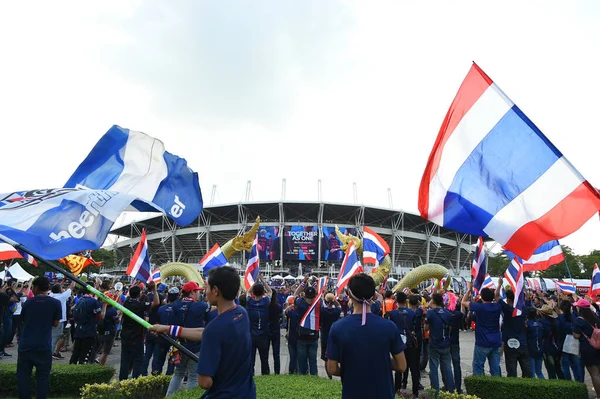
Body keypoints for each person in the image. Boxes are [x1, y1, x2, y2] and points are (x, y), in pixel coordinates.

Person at [150, 266, 256, 398]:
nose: (204, 292)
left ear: (216, 290)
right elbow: (205, 332)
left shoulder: (215, 329)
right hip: (246, 393)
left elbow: (204, 382)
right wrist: (168, 329)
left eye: (206, 287)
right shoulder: (241, 313)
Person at [326, 273, 406, 399]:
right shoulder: (389, 327)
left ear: (349, 295)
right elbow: (401, 366)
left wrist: (352, 365)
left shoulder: (338, 328)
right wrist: (380, 361)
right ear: (373, 295)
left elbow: (331, 369)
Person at [17, 276, 61, 399]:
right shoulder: (55, 303)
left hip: (26, 344)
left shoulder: (28, 302)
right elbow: (56, 323)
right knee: (43, 376)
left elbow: (22, 320)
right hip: (44, 345)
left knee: (23, 375)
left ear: (36, 288)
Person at [166, 281, 209, 396]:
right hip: (195, 346)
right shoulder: (200, 306)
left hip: (178, 344)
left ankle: (169, 396)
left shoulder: (176, 304)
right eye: (197, 292)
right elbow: (215, 308)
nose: (199, 294)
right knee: (193, 376)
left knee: (178, 374)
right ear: (192, 292)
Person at [461, 284, 502, 376]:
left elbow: (463, 302)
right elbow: (497, 296)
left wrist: (469, 290)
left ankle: (479, 388)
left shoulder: (480, 307)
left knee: (478, 367)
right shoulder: (497, 307)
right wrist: (499, 285)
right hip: (495, 341)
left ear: (482, 297)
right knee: (495, 368)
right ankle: (498, 387)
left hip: (482, 342)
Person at [495, 280, 531, 378]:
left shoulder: (507, 309)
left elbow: (496, 297)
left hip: (510, 344)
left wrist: (499, 284)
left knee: (511, 372)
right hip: (523, 343)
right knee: (527, 371)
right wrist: (522, 287)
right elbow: (527, 298)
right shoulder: (522, 309)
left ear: (509, 300)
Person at [389, 292, 419, 398]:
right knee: (414, 367)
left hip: (399, 343)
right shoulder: (412, 312)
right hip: (410, 342)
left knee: (398, 367)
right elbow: (416, 327)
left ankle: (397, 390)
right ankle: (415, 391)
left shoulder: (392, 314)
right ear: (406, 300)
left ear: (396, 300)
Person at [425, 292, 455, 395]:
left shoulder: (430, 313)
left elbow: (426, 328)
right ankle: (451, 390)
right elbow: (450, 329)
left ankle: (435, 392)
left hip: (434, 344)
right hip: (445, 343)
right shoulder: (447, 313)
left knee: (433, 368)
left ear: (432, 301)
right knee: (447, 368)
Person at [119, 284, 150, 380]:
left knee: (124, 359)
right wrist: (153, 290)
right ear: (139, 294)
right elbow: (154, 303)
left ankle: (122, 380)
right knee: (138, 360)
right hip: (136, 336)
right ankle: (135, 380)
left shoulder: (126, 302)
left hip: (125, 335)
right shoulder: (140, 305)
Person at [573, 298, 600, 395]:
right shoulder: (596, 318)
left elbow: (576, 336)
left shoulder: (578, 320)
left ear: (580, 308)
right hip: (598, 347)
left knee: (594, 374)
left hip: (588, 349)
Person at [246, 274, 272, 375]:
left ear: (254, 293)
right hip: (263, 336)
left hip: (252, 336)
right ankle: (265, 376)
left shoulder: (250, 302)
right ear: (263, 293)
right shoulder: (266, 302)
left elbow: (248, 292)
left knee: (251, 360)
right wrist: (262, 280)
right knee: (264, 359)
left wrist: (256, 281)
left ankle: (250, 376)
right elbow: (270, 291)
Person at [69, 288, 102, 364]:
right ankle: (82, 369)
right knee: (85, 354)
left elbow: (72, 310)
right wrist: (104, 305)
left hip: (79, 329)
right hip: (89, 330)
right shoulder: (93, 301)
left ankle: (71, 369)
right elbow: (101, 316)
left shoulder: (80, 299)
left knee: (76, 352)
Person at [558, 300, 583, 382]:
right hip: (574, 343)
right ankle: (579, 383)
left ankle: (569, 383)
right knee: (575, 365)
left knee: (565, 366)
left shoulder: (560, 318)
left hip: (564, 344)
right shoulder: (574, 316)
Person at [537, 304, 564, 379]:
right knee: (558, 369)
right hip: (558, 347)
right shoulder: (557, 322)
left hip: (547, 348)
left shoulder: (541, 322)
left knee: (550, 370)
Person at [49, 281, 75, 360]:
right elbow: (71, 287)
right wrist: (74, 277)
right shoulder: (62, 297)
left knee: (52, 338)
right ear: (60, 290)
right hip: (59, 321)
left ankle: (52, 353)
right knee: (54, 339)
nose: (63, 289)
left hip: (51, 320)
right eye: (61, 288)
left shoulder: (51, 295)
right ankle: (49, 355)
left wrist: (62, 282)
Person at [320, 292, 341, 378]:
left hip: (325, 337)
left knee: (326, 358)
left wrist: (323, 299)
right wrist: (335, 301)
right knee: (337, 356)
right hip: (335, 337)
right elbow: (339, 306)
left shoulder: (322, 311)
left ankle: (329, 377)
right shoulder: (336, 311)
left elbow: (321, 305)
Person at [526, 307, 545, 379]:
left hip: (530, 349)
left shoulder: (527, 324)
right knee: (539, 371)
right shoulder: (540, 324)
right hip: (539, 349)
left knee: (532, 372)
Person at [267, 289, 282, 375]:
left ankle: (266, 371)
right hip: (276, 330)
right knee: (276, 353)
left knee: (265, 353)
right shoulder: (278, 306)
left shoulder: (266, 306)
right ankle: (277, 372)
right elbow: (281, 318)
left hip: (267, 329)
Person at [284, 295, 300, 374]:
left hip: (291, 338)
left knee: (292, 357)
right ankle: (298, 371)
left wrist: (291, 305)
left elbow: (285, 311)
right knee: (298, 357)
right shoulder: (302, 313)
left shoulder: (291, 313)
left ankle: (291, 371)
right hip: (300, 338)